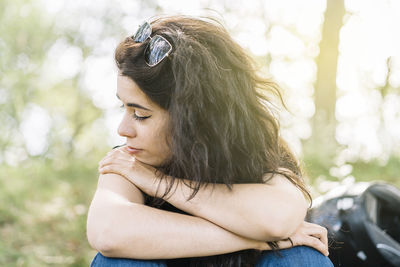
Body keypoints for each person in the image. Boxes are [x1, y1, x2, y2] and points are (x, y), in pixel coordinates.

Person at [86, 15, 334, 267]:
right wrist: (255, 240)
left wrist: (158, 183)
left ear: (193, 119)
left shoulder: (261, 156)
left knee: (302, 258)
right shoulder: (128, 160)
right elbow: (109, 232)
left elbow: (277, 219)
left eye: (140, 114)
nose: (123, 129)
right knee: (121, 261)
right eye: (124, 108)